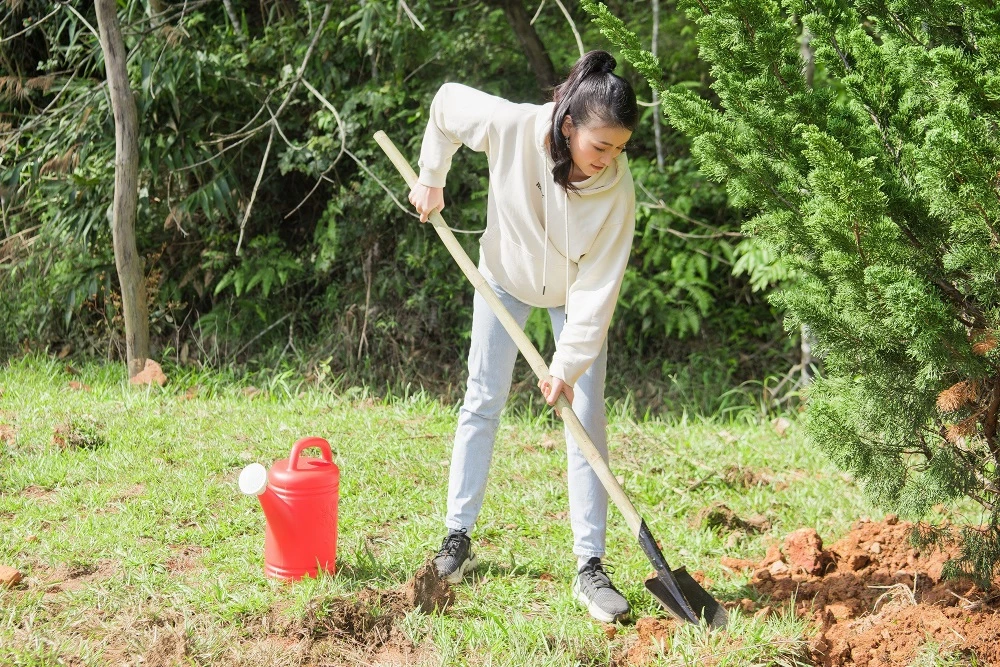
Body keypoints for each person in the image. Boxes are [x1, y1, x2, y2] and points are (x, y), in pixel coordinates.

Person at [408, 50, 638, 623]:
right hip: (502, 278)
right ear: (568, 125)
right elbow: (444, 106)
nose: (609, 160)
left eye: (620, 149)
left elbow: (599, 288)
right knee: (481, 401)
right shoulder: (513, 127)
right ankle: (456, 539)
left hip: (571, 295)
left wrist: (567, 364)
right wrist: (431, 178)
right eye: (600, 146)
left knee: (584, 417)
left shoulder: (617, 193)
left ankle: (591, 567)